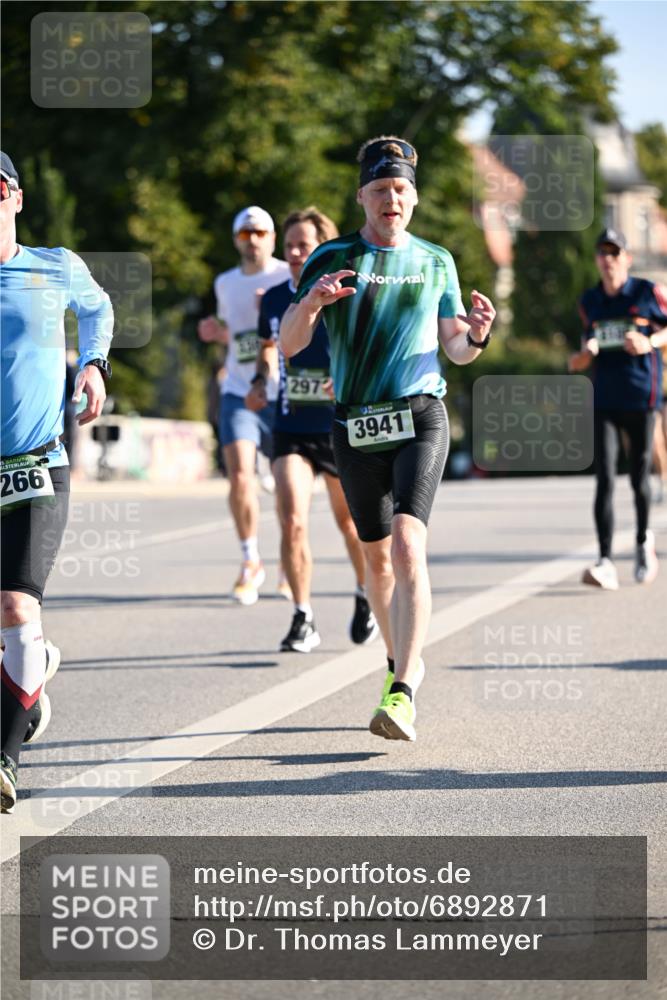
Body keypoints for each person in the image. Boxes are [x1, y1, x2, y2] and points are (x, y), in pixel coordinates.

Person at [280, 137, 495, 740]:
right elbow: (289, 344)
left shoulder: (436, 261)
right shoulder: (333, 256)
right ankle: (400, 661)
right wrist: (315, 304)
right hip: (354, 423)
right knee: (376, 559)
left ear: (415, 197)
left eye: (400, 189)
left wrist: (476, 335)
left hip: (420, 414)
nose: (391, 199)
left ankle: (402, 689)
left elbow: (455, 347)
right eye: (380, 190)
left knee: (406, 545)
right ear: (362, 198)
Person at [1, 151, 113, 813]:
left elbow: (97, 310)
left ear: (14, 195)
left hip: (36, 464)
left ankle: (4, 760)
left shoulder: (54, 266)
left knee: (17, 605)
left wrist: (94, 366)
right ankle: (30, 678)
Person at [246, 207, 379, 652]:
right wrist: (262, 381)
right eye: (290, 247)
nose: (297, 252)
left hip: (339, 425)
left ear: (322, 246)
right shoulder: (272, 297)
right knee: (292, 520)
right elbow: (269, 350)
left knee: (350, 524)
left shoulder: (346, 289)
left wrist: (346, 377)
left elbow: (367, 350)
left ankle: (365, 594)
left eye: (305, 244)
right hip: (291, 427)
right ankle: (303, 615)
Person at [198, 206, 289, 606]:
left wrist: (274, 310)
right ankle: (251, 559)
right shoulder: (225, 283)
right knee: (239, 476)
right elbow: (235, 336)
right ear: (236, 240)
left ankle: (290, 560)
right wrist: (216, 333)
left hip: (284, 390)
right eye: (244, 234)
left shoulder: (288, 275)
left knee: (289, 485)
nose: (252, 240)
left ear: (272, 237)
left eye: (260, 233)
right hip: (238, 388)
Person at [569, 227, 667, 589]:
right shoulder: (589, 301)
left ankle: (643, 540)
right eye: (602, 253)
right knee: (605, 479)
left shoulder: (645, 292)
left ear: (626, 258)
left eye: (615, 253)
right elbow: (579, 356)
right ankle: (606, 560)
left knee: (639, 475)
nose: (608, 260)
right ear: (597, 260)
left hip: (642, 395)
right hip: (605, 398)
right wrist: (582, 356)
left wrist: (649, 341)